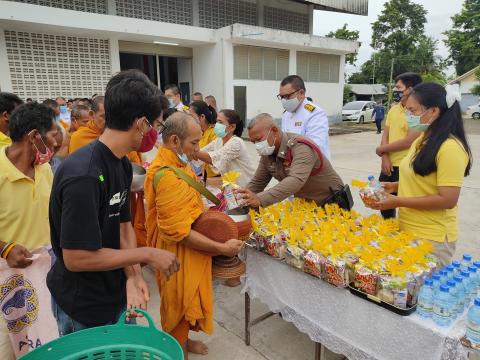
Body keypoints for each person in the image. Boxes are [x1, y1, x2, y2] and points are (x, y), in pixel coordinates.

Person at [47, 69, 179, 336]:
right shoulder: (83, 175)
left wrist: (133, 275)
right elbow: (76, 258)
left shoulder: (121, 164)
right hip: (82, 305)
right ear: (141, 123)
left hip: (116, 293)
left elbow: (123, 225)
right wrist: (147, 254)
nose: (155, 132)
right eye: (156, 124)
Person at [144, 112, 243, 358]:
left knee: (189, 303)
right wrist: (221, 248)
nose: (198, 149)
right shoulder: (166, 175)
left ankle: (185, 342)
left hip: (191, 250)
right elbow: (180, 233)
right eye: (194, 143)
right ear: (175, 141)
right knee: (177, 305)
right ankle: (178, 350)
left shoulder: (181, 164)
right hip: (175, 256)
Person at [371, 83, 472, 267]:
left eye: (412, 110)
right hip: (408, 229)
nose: (408, 116)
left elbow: (447, 199)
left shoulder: (450, 148)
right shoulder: (422, 140)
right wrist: (394, 187)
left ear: (433, 111)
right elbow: (421, 181)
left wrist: (397, 201)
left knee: (420, 294)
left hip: (431, 239)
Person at [0, 102, 58, 359]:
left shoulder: (46, 171)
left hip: (42, 276)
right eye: (53, 137)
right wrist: (5, 248)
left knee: (43, 347)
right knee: (8, 348)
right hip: (4, 280)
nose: (56, 145)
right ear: (34, 136)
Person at [237, 113, 344, 208]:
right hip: (307, 207)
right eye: (253, 142)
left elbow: (296, 180)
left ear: (274, 131)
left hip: (332, 204)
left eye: (259, 140)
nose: (257, 145)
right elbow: (258, 182)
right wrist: (241, 198)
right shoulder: (268, 152)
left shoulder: (301, 147)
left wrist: (260, 199)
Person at [375, 73, 423, 219]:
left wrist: (381, 150)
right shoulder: (394, 109)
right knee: (382, 202)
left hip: (406, 165)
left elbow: (408, 141)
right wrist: (384, 156)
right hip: (388, 165)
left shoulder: (418, 112)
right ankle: (389, 232)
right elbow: (386, 135)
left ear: (411, 89)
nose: (396, 90)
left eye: (398, 87)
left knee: (405, 205)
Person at [194, 109, 256, 187]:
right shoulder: (218, 141)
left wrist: (191, 149)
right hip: (232, 188)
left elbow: (214, 157)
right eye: (216, 121)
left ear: (232, 127)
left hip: (247, 188)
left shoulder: (236, 142)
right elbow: (202, 152)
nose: (217, 125)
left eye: (220, 122)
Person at [279, 75, 331, 160]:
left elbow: (314, 146)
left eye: (287, 96)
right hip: (293, 163)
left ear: (301, 93)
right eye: (282, 97)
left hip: (314, 167)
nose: (284, 100)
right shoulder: (286, 114)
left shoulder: (315, 114)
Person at [189, 101, 218, 181]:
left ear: (202, 117)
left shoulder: (214, 132)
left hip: (216, 177)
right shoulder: (200, 133)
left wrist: (191, 153)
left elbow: (214, 157)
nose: (189, 120)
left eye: (191, 116)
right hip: (205, 176)